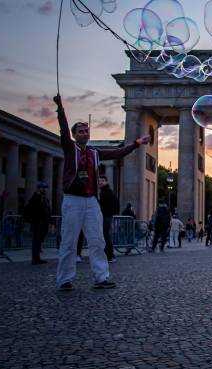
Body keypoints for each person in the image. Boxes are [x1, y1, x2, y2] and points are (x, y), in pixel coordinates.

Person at [53, 95, 150, 291]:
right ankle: (65, 279)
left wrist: (136, 143)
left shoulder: (94, 152)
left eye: (86, 131)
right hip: (73, 200)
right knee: (69, 241)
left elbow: (117, 153)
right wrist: (60, 109)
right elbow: (63, 130)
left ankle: (101, 277)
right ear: (74, 135)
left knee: (98, 240)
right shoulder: (70, 148)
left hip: (91, 200)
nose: (84, 133)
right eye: (80, 131)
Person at [24, 181, 51, 265]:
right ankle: (35, 259)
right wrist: (34, 220)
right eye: (43, 188)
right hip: (38, 223)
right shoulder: (35, 198)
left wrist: (50, 222)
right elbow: (29, 210)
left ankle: (37, 258)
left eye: (46, 188)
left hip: (44, 223)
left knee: (39, 241)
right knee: (36, 241)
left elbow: (48, 211)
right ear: (39, 188)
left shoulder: (44, 198)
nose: (45, 190)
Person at [98, 176, 120, 262]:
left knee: (105, 235)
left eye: (102, 181)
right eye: (99, 181)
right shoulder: (103, 191)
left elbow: (115, 203)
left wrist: (112, 213)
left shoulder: (107, 192)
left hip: (106, 216)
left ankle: (110, 255)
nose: (101, 182)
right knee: (105, 235)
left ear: (106, 182)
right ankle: (108, 254)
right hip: (105, 215)